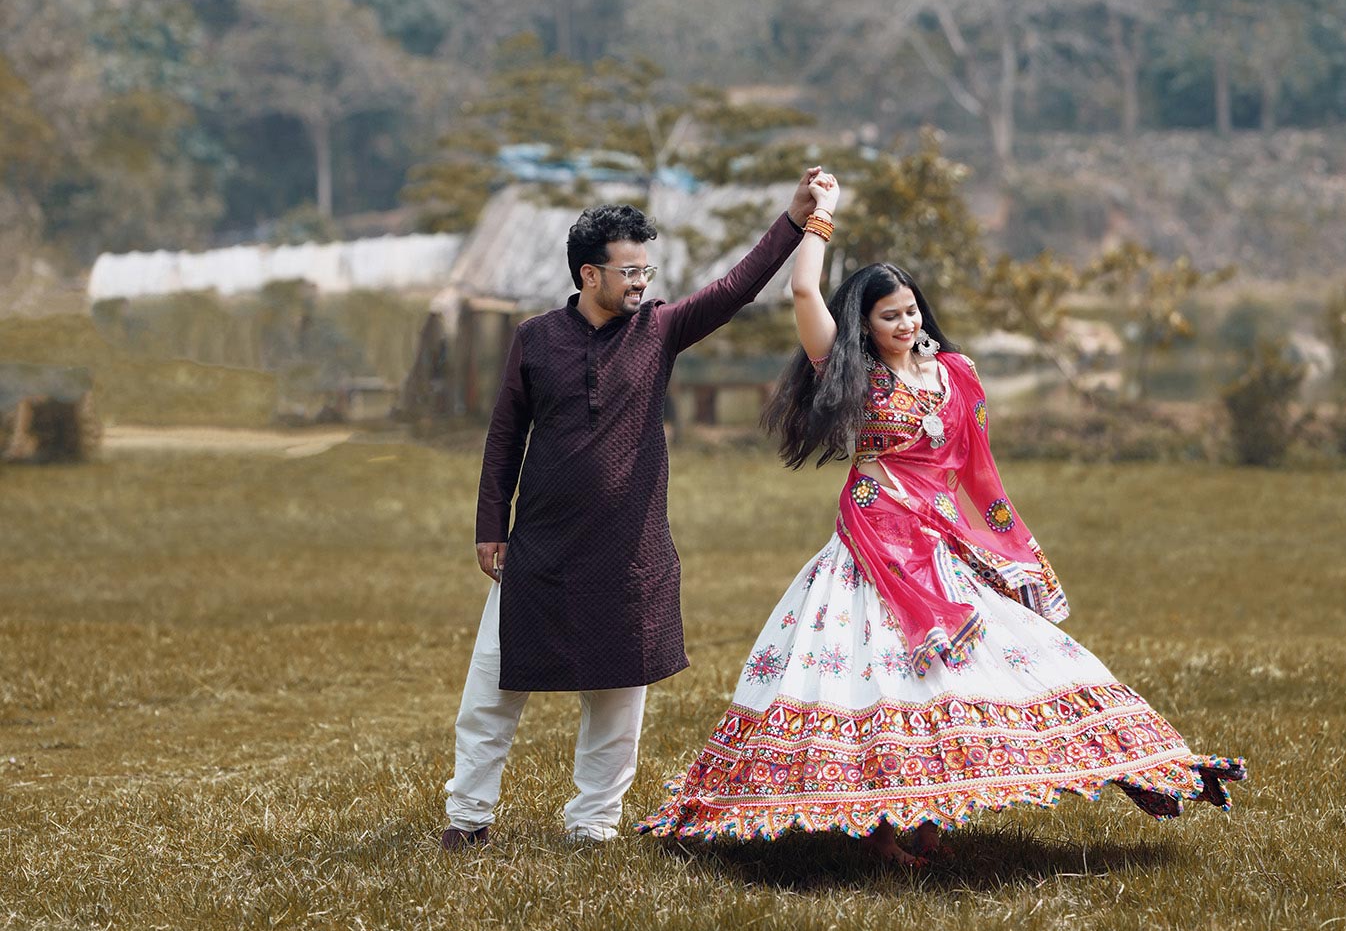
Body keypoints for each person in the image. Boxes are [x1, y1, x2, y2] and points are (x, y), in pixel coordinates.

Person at [640, 173, 1243, 865]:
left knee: (958, 672)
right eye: (890, 316)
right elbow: (804, 291)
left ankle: (931, 823)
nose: (907, 325)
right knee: (878, 674)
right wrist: (820, 216)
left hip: (939, 543)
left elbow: (977, 471)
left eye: (912, 312)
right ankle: (882, 832)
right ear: (864, 326)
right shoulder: (853, 374)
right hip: (870, 550)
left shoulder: (954, 373)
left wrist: (1006, 543)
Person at [441, 170, 829, 851]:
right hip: (540, 549)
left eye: (647, 269)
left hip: (630, 551)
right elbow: (505, 436)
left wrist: (795, 219)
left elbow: (736, 287)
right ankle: (468, 817)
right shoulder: (535, 339)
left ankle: (593, 824)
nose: (642, 282)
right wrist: (490, 526)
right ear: (589, 274)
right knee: (491, 689)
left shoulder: (660, 329)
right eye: (630, 271)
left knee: (618, 698)